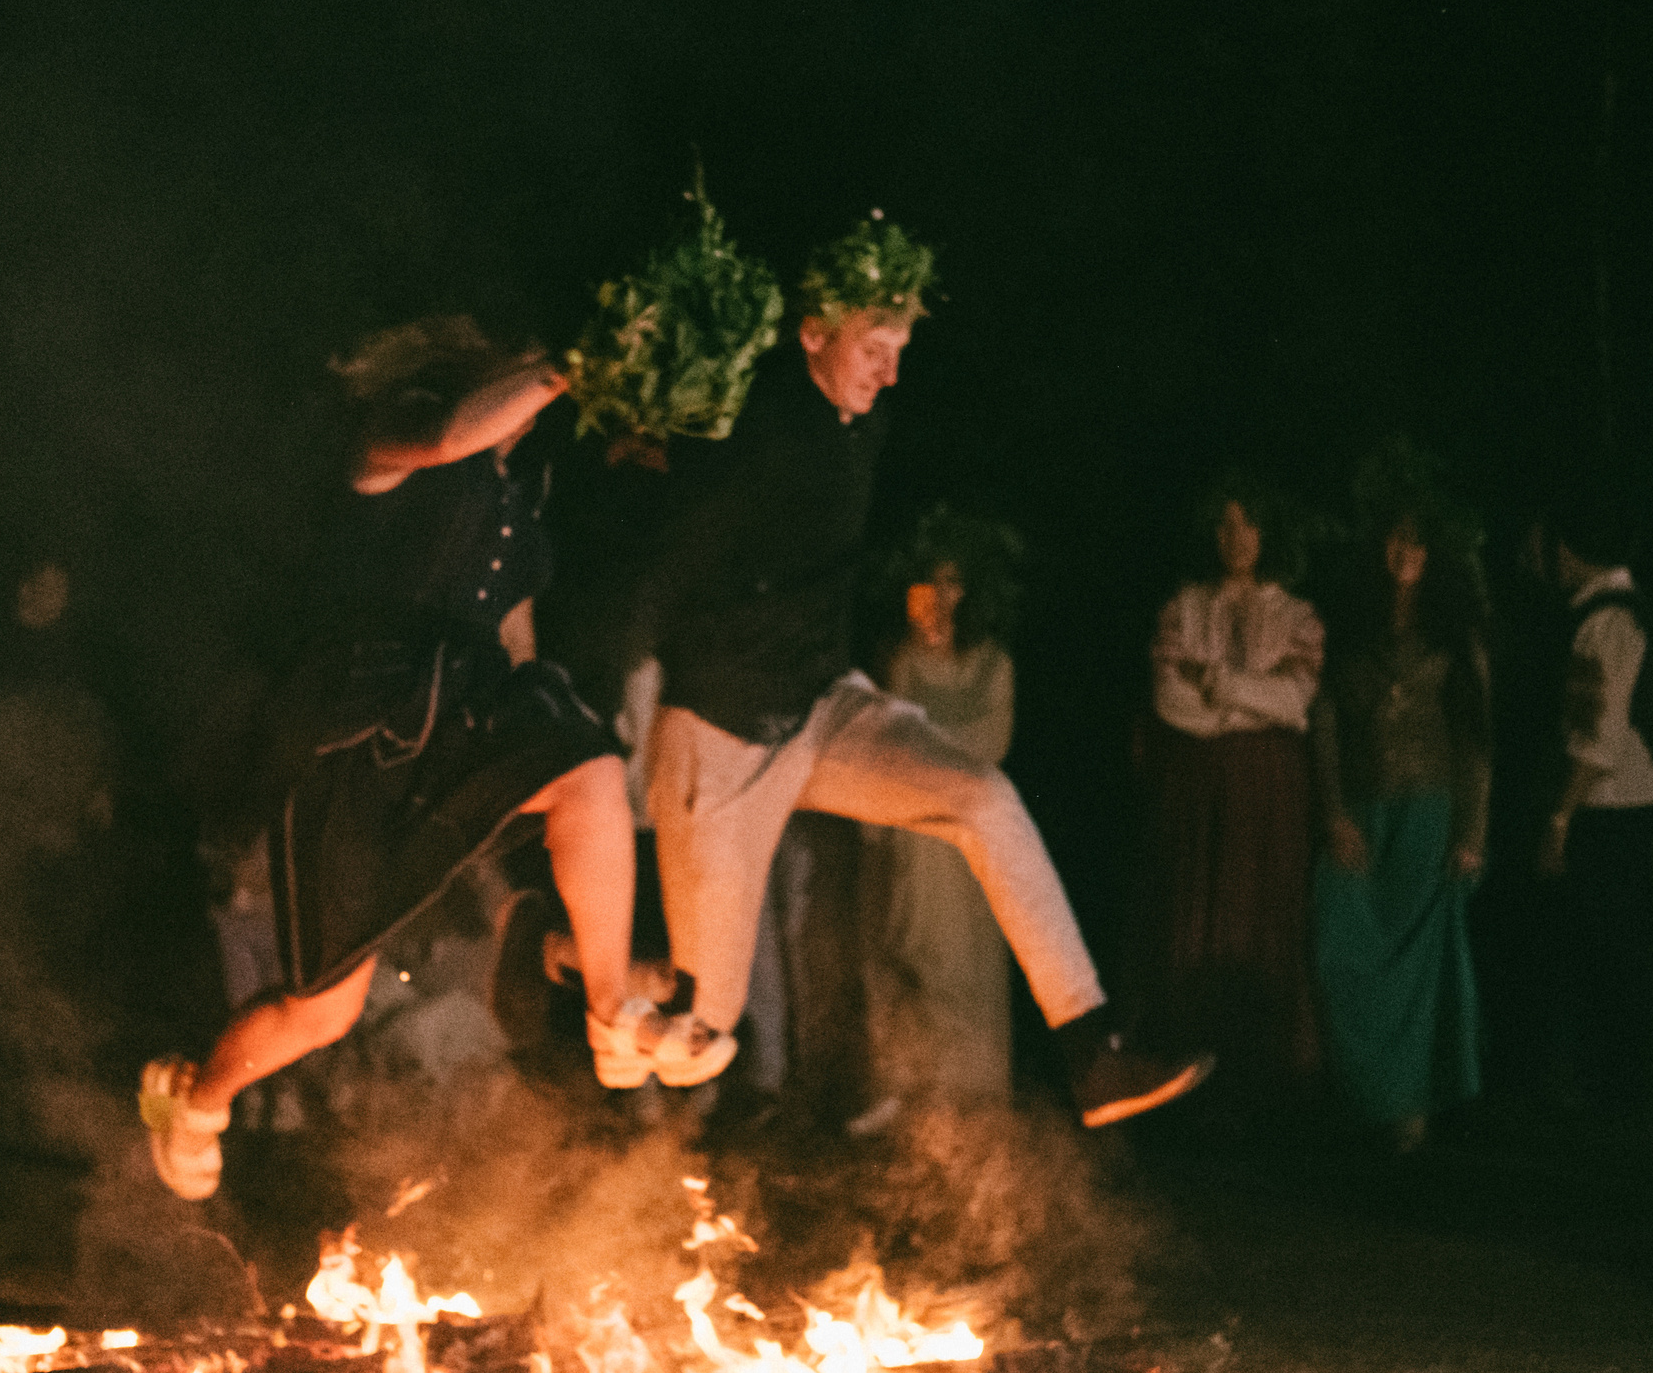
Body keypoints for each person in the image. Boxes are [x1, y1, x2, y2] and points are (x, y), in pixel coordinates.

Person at [637, 217, 1212, 1128]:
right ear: (814, 332)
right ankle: (575, 966)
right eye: (876, 345)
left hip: (824, 709)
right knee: (695, 1036)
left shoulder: (865, 422)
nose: (892, 370)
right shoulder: (752, 424)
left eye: (903, 348)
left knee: (985, 797)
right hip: (722, 738)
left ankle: (1092, 1051)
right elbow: (663, 565)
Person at [138, 318, 657, 1202]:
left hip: (470, 701)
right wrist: (568, 362)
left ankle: (616, 1015)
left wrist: (536, 770)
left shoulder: (520, 489)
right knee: (325, 1009)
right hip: (359, 723)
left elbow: (514, 633)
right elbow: (456, 430)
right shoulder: (393, 434)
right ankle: (200, 1100)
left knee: (593, 768)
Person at [1309, 451, 1491, 1152]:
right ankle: (1364, 1093)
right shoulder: (1350, 624)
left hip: (1429, 808)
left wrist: (1471, 830)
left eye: (1416, 539)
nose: (1404, 550)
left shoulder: (1456, 630)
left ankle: (1410, 1112)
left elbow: (1477, 739)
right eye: (1394, 536)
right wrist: (1332, 809)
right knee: (1339, 946)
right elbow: (1324, 722)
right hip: (1362, 808)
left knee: (1420, 966)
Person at [1142, 471, 1324, 1109]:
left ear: (1266, 532)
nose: (1236, 537)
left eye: (1247, 524)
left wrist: (1217, 684)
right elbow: (1169, 699)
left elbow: (1295, 700)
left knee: (1259, 909)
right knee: (1201, 907)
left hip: (1268, 788)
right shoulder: (1184, 606)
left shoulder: (1295, 614)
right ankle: (1193, 1070)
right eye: (1224, 524)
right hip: (1201, 783)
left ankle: (1262, 1075)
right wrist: (1245, 702)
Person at [857, 505, 1026, 1122]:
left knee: (966, 965)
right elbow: (897, 743)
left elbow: (990, 744)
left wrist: (938, 752)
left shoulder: (993, 664)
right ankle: (910, 1090)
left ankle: (973, 1095)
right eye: (928, 583)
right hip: (912, 835)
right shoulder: (899, 663)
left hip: (966, 840)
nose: (940, 598)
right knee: (908, 953)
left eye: (954, 582)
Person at [1535, 491, 1653, 1112]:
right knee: (1622, 951)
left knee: (1611, 953)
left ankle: (1623, 1090)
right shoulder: (1632, 609)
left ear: (1570, 549)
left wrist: (1561, 816)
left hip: (1614, 806)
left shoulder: (1603, 621)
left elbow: (1599, 734)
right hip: (1632, 801)